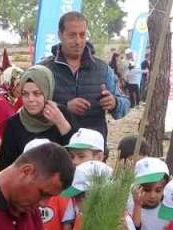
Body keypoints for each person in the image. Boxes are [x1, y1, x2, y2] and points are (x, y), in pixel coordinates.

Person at [40, 11, 129, 143]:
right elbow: (32, 107)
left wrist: (114, 103)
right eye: (72, 35)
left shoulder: (103, 69)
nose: (78, 41)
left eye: (82, 35)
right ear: (60, 35)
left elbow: (125, 105)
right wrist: (64, 108)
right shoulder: (44, 69)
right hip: (54, 149)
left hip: (92, 149)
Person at [0, 65, 74, 168]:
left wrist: (61, 123)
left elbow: (75, 156)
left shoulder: (62, 114)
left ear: (47, 92)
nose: (31, 99)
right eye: (25, 94)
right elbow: (5, 166)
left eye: (37, 93)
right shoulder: (14, 124)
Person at [0, 66, 25, 142]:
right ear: (8, 83)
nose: (21, 88)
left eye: (23, 84)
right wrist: (3, 149)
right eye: (17, 84)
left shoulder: (12, 99)